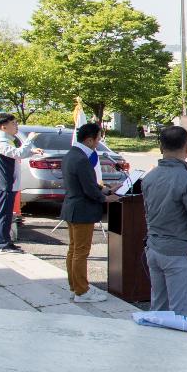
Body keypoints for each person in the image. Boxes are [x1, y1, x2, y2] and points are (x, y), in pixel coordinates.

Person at [140, 126, 187, 316]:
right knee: (180, 313)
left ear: (161, 148)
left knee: (158, 309)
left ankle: (156, 346)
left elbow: (150, 211)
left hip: (154, 248)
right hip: (179, 252)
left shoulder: (149, 177)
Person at [59, 122, 115, 303]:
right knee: (80, 252)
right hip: (82, 210)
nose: (99, 142)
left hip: (72, 208)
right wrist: (106, 197)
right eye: (98, 139)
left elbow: (88, 184)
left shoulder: (71, 154)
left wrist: (106, 189)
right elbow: (89, 189)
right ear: (89, 140)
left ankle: (75, 286)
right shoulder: (82, 158)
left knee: (74, 250)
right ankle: (82, 292)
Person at [0, 114, 43, 253]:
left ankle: (6, 242)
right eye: (13, 123)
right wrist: (29, 141)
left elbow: (17, 153)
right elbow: (17, 153)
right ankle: (2, 244)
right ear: (3, 126)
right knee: (4, 215)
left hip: (7, 184)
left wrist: (30, 151)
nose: (16, 125)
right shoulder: (0, 141)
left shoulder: (6, 140)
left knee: (7, 215)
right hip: (3, 184)